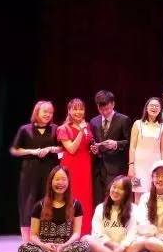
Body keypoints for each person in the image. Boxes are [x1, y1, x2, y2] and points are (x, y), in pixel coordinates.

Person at [18, 166, 90, 252]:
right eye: (57, 179)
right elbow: (33, 235)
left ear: (68, 182)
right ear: (51, 182)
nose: (60, 182)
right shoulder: (39, 205)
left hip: (65, 248)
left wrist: (63, 246)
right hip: (44, 248)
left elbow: (76, 233)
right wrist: (43, 246)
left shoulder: (76, 205)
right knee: (23, 248)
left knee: (85, 245)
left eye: (63, 179)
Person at [10, 100, 62, 242]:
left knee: (48, 203)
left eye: (50, 112)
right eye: (45, 111)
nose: (48, 114)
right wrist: (32, 151)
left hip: (50, 171)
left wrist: (51, 149)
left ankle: (46, 239)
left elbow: (62, 148)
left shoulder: (55, 129)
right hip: (30, 172)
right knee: (28, 204)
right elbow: (15, 150)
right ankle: (27, 242)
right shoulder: (25, 129)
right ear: (37, 112)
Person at [83, 176, 145, 252]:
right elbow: (98, 233)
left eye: (121, 189)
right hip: (105, 248)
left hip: (125, 248)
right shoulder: (100, 208)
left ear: (127, 193)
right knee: (86, 239)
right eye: (114, 186)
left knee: (143, 240)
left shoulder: (134, 209)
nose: (115, 191)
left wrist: (121, 247)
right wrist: (113, 246)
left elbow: (132, 233)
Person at [57, 98, 94, 235]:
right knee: (71, 196)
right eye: (75, 109)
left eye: (81, 109)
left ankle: (85, 232)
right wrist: (81, 131)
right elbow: (71, 149)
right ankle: (69, 232)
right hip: (71, 166)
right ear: (69, 111)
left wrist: (94, 148)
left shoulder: (87, 126)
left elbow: (87, 144)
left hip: (85, 164)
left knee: (85, 197)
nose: (78, 112)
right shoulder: (63, 128)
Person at [89, 90, 132, 203]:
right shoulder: (94, 121)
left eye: (107, 109)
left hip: (116, 168)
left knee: (113, 200)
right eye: (101, 109)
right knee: (98, 201)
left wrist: (116, 144)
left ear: (113, 104)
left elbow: (130, 143)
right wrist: (94, 149)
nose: (104, 112)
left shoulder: (124, 120)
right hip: (98, 169)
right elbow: (92, 142)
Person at [128, 97, 163, 202]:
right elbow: (132, 147)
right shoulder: (137, 124)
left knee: (153, 195)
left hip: (154, 167)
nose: (154, 108)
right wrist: (131, 166)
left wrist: (162, 167)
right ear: (146, 108)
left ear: (160, 110)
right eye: (152, 105)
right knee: (138, 197)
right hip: (138, 167)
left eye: (157, 106)